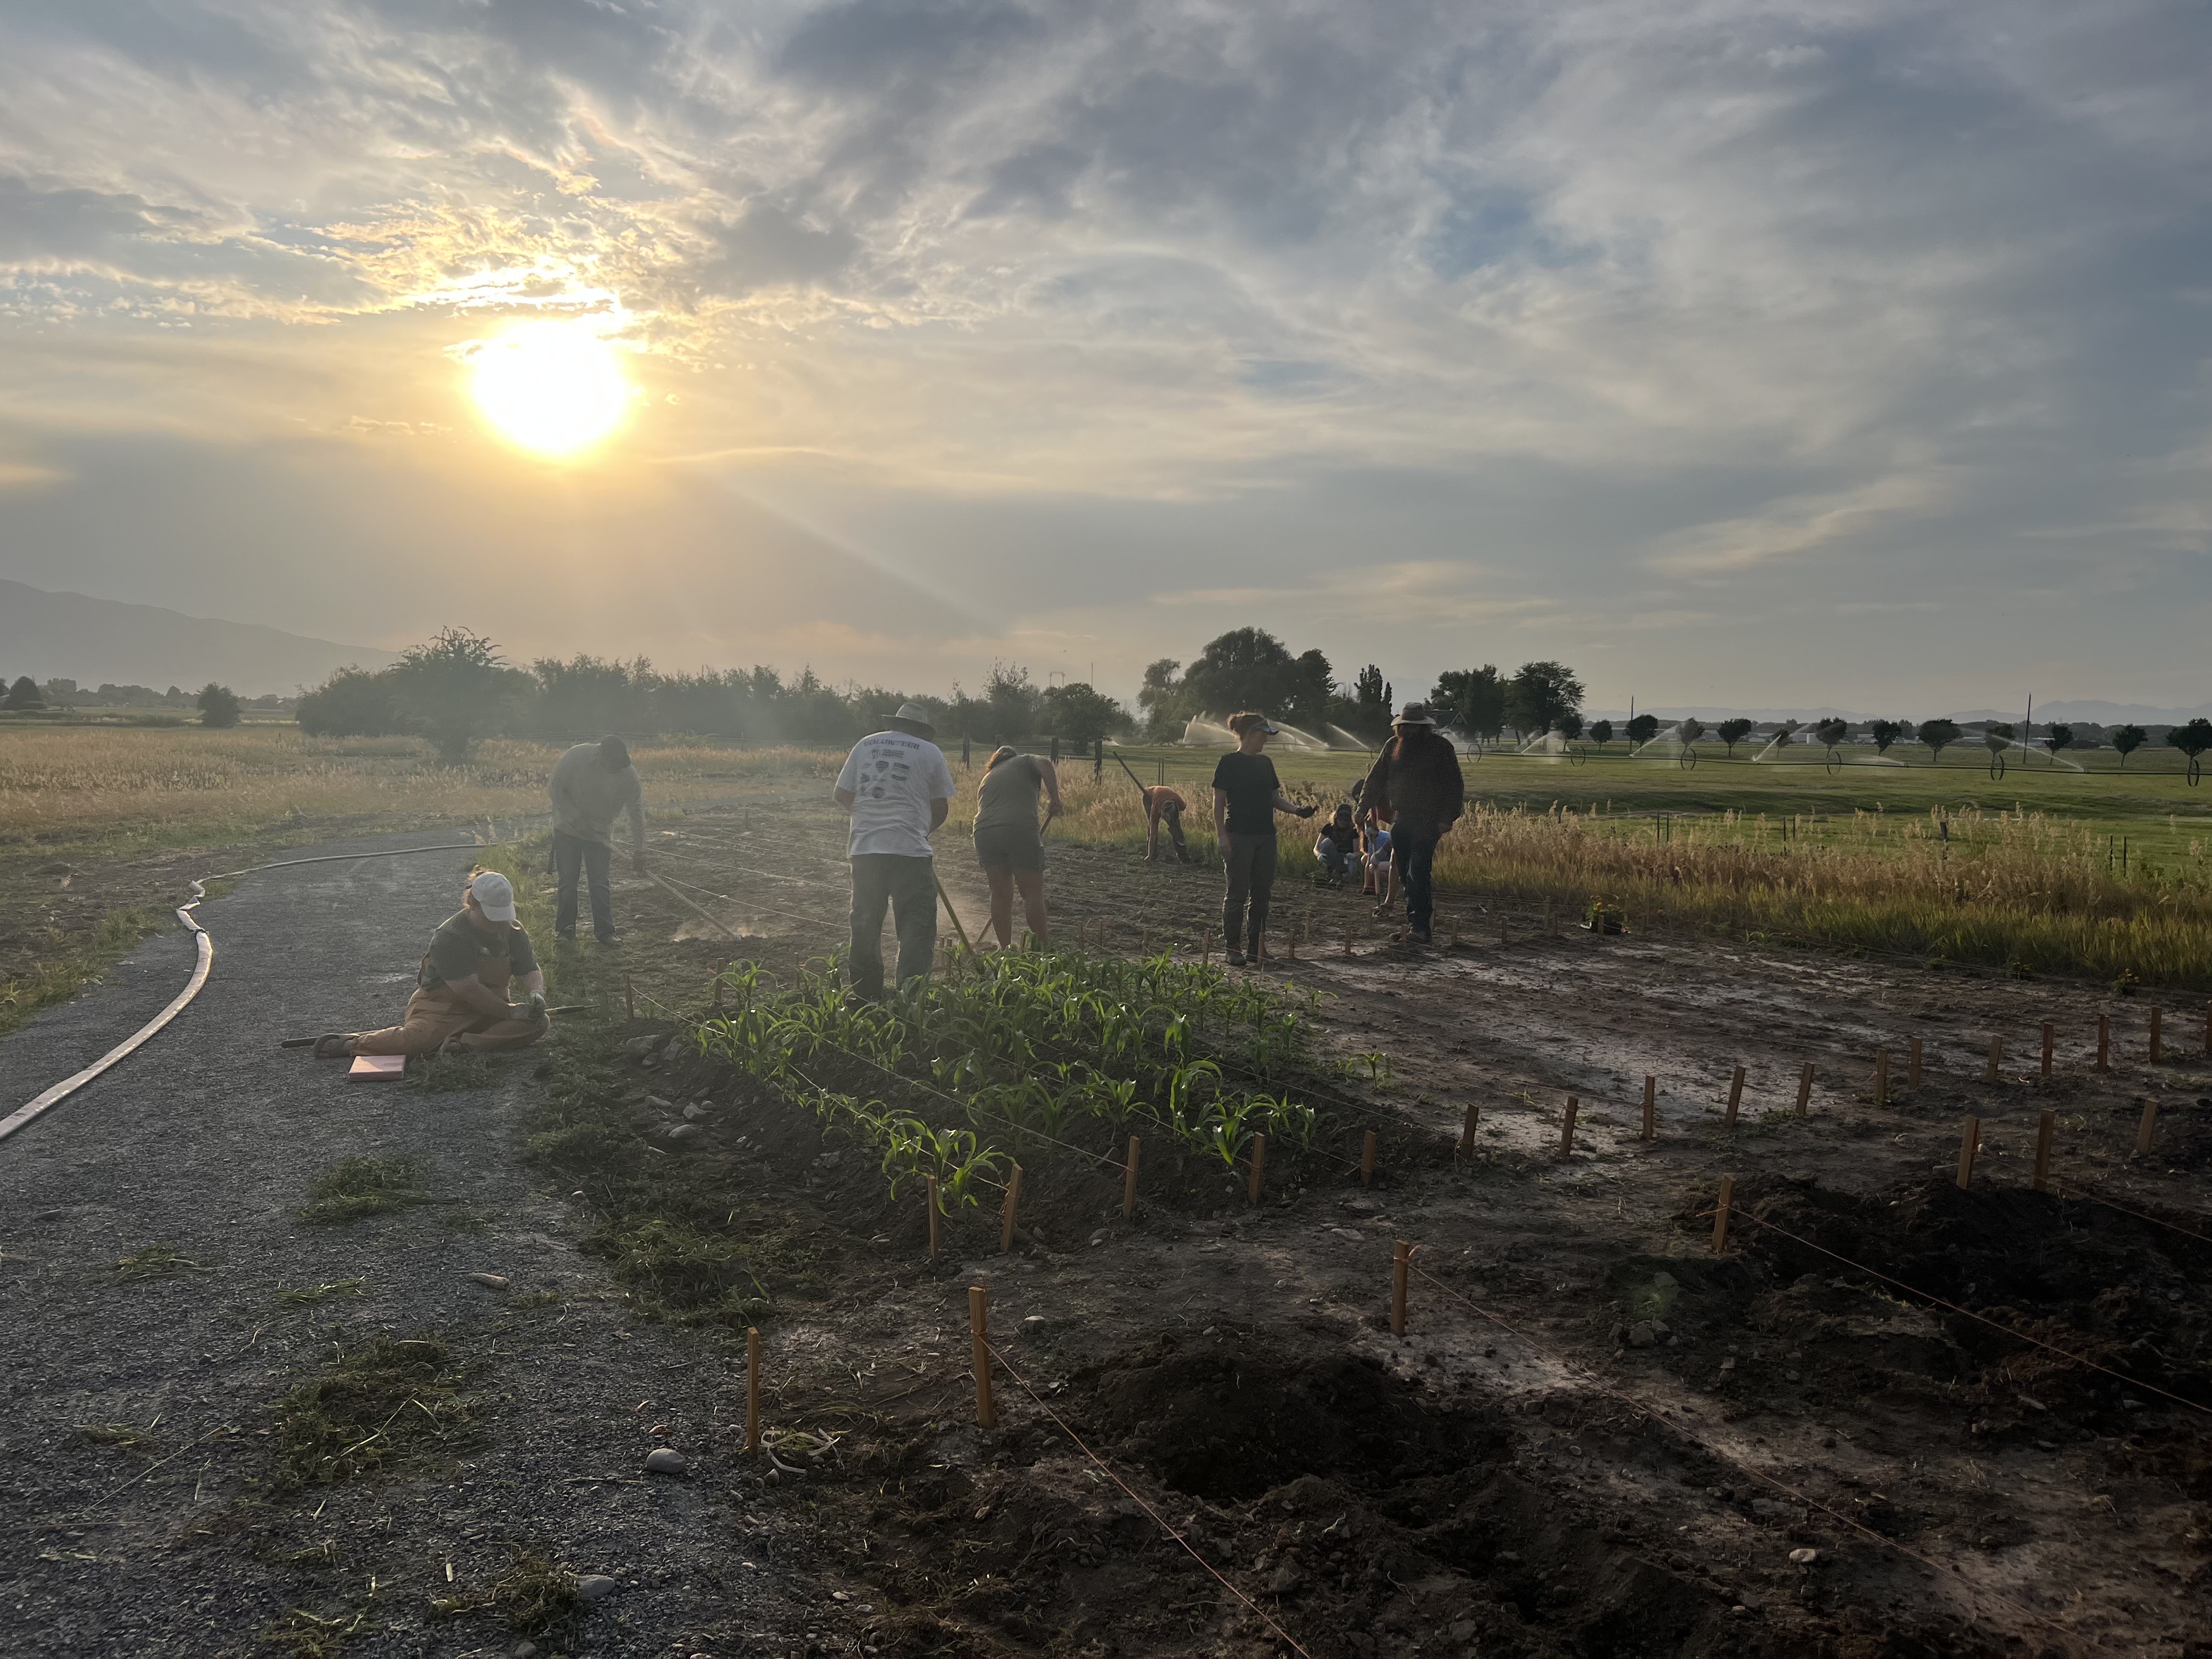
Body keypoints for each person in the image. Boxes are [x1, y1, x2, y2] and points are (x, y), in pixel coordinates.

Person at [313, 871, 549, 1058]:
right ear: (472, 905)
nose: (499, 924)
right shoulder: (451, 936)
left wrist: (536, 993)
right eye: (491, 916)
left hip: (493, 1007)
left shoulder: (513, 931)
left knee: (539, 1023)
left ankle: (463, 1045)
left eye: (502, 916)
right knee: (416, 1042)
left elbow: (529, 970)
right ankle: (355, 1043)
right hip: (442, 1010)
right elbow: (468, 989)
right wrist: (508, 1013)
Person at [834, 702, 956, 1000]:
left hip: (865, 850)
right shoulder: (930, 752)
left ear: (895, 724)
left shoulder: (865, 744)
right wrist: (919, 830)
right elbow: (941, 807)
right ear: (921, 729)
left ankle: (865, 994)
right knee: (916, 923)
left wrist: (870, 819)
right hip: (910, 852)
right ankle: (911, 996)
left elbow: (841, 794)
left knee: (865, 920)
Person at [1210, 712, 1317, 966]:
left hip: (1266, 837)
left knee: (1262, 894)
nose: (1266, 741)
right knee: (1237, 893)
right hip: (1239, 836)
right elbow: (1218, 805)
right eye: (1263, 736)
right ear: (1248, 735)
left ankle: (1256, 947)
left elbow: (1275, 799)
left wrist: (1296, 810)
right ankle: (1232, 947)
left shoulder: (1265, 764)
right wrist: (1222, 836)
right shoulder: (1228, 763)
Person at [1358, 703, 1465, 945]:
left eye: (1415, 727)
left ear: (1424, 728)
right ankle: (1414, 923)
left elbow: (1455, 786)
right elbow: (1374, 779)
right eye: (1406, 727)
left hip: (1430, 820)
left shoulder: (1441, 748)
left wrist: (1448, 818)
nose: (1410, 731)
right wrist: (1361, 809)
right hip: (1403, 817)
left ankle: (1421, 929)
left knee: (1418, 870)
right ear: (1401, 727)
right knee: (1406, 873)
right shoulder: (1393, 747)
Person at [549, 734, 645, 946]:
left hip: (600, 834)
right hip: (567, 830)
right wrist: (577, 820)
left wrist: (640, 850)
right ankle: (565, 930)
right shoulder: (576, 757)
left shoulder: (629, 776)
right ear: (601, 755)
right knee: (568, 882)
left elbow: (636, 813)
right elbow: (555, 790)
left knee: (600, 882)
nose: (617, 769)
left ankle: (605, 932)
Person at [973, 744, 1063, 947]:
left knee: (1000, 894)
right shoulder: (1025, 760)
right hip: (1018, 827)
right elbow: (1045, 763)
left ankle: (1005, 950)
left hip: (983, 831)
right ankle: (1043, 950)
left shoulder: (989, 776)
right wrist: (1055, 798)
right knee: (1031, 892)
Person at [1144, 783, 1192, 863]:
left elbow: (1183, 807)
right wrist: (1149, 855)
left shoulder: (1180, 803)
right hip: (1148, 795)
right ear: (1161, 813)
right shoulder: (1156, 810)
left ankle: (1184, 858)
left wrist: (1174, 822)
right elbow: (1153, 834)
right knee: (1153, 827)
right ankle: (1151, 855)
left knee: (1176, 828)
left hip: (1166, 796)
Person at [1314, 803, 1356, 884]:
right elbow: (1316, 848)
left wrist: (1353, 855)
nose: (1343, 822)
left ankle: (1342, 877)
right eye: (1341, 819)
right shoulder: (1328, 828)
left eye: (1346, 819)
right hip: (1333, 858)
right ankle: (1332, 874)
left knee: (1348, 873)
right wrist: (1319, 855)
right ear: (1336, 817)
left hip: (1347, 860)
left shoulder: (1353, 831)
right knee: (1327, 842)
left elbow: (1357, 852)